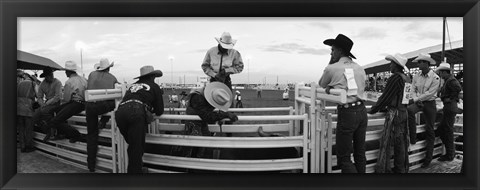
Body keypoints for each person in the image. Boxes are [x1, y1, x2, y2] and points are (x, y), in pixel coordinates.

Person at [318, 34, 367, 173]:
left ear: (339, 51)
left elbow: (322, 83)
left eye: (333, 50)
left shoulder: (332, 68)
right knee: (359, 153)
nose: (331, 52)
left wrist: (331, 62)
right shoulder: (359, 68)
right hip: (362, 110)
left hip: (347, 113)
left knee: (344, 157)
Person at [115, 65, 164, 173]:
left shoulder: (132, 86)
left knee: (133, 145)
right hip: (136, 111)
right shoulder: (154, 86)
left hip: (120, 112)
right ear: (152, 76)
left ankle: (137, 169)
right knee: (136, 148)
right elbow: (160, 110)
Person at [368, 54, 411, 173]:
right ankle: (401, 168)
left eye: (391, 63)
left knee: (388, 142)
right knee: (401, 142)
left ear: (396, 66)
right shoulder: (406, 78)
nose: (389, 65)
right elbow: (407, 98)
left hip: (395, 113)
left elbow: (386, 97)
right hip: (403, 112)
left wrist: (374, 109)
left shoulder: (395, 78)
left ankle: (386, 169)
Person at [182, 81, 238, 158]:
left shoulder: (202, 94)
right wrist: (225, 114)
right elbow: (207, 116)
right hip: (194, 123)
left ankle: (197, 162)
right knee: (195, 145)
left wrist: (222, 115)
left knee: (204, 142)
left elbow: (206, 114)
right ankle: (191, 163)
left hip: (199, 121)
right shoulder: (198, 98)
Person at [85, 58, 119, 172]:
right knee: (114, 102)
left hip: (90, 105)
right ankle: (104, 120)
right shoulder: (113, 78)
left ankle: (91, 165)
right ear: (109, 68)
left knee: (91, 135)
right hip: (103, 106)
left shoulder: (91, 74)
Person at [407, 53, 440, 168]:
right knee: (409, 111)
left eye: (420, 62)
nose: (419, 64)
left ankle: (428, 158)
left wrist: (416, 99)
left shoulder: (435, 77)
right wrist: (416, 99)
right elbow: (413, 88)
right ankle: (413, 136)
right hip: (420, 102)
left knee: (429, 130)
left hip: (429, 103)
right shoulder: (417, 76)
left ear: (426, 63)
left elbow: (430, 93)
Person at [43, 61, 86, 143]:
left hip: (76, 103)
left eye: (66, 71)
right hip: (83, 103)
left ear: (69, 71)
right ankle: (62, 133)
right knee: (57, 111)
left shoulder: (69, 82)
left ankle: (76, 135)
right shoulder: (83, 79)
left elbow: (66, 99)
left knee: (54, 121)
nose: (65, 72)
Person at [435, 62, 462, 162]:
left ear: (444, 72)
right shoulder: (448, 80)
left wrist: (450, 98)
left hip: (449, 107)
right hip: (449, 107)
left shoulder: (450, 80)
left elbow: (458, 88)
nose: (440, 75)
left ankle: (450, 154)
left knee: (447, 130)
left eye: (441, 73)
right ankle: (450, 153)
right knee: (444, 129)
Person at [17, 73, 38, 153]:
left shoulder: (19, 83)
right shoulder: (33, 83)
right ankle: (29, 146)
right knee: (28, 128)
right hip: (28, 109)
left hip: (18, 108)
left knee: (21, 128)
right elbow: (37, 95)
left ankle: (22, 147)